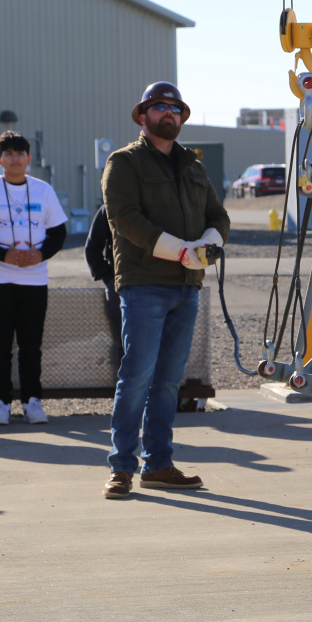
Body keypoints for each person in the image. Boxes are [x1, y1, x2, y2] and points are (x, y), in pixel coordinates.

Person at [101, 81, 229, 499]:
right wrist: (178, 252)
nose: (168, 113)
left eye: (174, 108)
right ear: (143, 116)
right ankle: (122, 467)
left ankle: (158, 465)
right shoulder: (124, 162)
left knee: (168, 381)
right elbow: (124, 217)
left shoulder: (193, 165)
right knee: (136, 376)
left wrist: (208, 248)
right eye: (159, 107)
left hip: (187, 287)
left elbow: (218, 215)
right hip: (144, 285)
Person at [0, 131, 68, 426]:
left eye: (20, 153)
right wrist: (2, 255)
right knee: (0, 345)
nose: (15, 158)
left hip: (34, 280)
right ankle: (0, 403)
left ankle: (33, 402)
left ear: (28, 159)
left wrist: (41, 254)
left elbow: (59, 232)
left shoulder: (44, 190)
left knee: (31, 345)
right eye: (8, 154)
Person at [83, 202, 123, 372]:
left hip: (157, 286)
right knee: (124, 342)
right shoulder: (110, 208)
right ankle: (125, 391)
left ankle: (156, 395)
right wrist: (109, 278)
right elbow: (92, 249)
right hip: (120, 288)